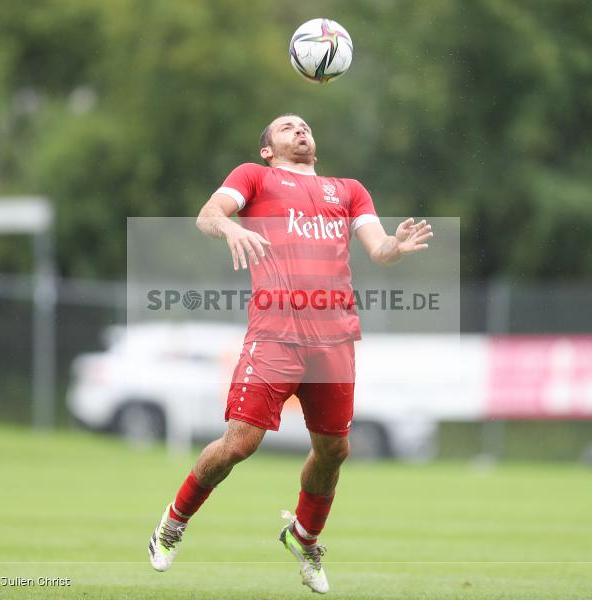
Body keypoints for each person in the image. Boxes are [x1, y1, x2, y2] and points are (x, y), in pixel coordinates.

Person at [148, 114, 433, 594]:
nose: (299, 130)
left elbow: (379, 248)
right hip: (276, 333)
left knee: (335, 449)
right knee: (240, 444)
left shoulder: (348, 190)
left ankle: (304, 538)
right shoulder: (255, 176)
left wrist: (396, 248)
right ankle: (174, 521)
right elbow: (208, 214)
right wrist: (232, 230)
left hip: (334, 338)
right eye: (286, 128)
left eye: (304, 126)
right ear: (268, 149)